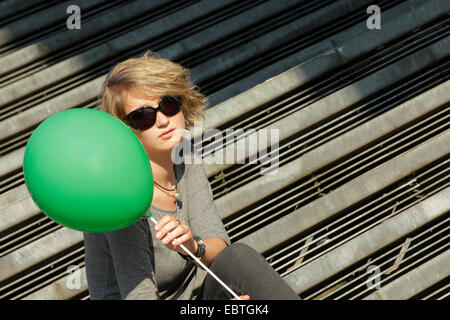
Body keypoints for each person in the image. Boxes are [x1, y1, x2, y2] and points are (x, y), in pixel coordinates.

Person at [82, 50, 300, 300]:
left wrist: (193, 246)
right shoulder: (121, 198)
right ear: (125, 130)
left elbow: (221, 252)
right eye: (143, 116)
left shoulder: (185, 158)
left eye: (169, 104)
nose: (163, 120)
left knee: (239, 258)